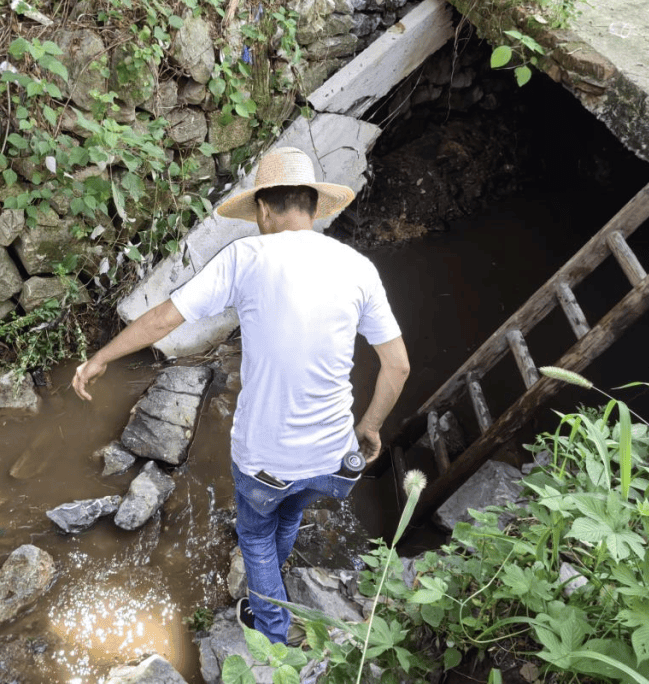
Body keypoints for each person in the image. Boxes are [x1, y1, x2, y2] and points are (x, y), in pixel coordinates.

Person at [72, 146, 409, 645]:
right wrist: (370, 427)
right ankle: (279, 568)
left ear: (263, 209)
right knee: (291, 510)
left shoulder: (246, 257)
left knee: (254, 534)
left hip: (266, 460)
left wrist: (101, 357)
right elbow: (397, 366)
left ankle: (272, 632)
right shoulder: (357, 267)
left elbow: (166, 318)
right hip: (334, 462)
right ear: (314, 209)